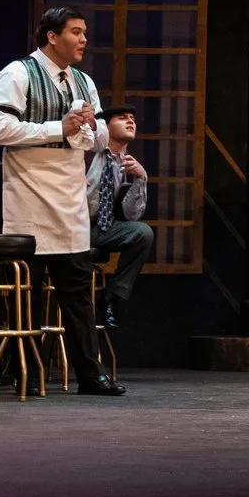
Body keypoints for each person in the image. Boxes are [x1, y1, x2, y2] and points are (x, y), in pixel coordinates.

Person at [0, 6, 124, 395]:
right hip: (28, 199)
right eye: (76, 32)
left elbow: (100, 140)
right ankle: (27, 374)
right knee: (26, 295)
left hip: (70, 200)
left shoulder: (83, 82)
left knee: (78, 296)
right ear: (52, 36)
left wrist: (91, 125)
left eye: (84, 33)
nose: (83, 40)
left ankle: (90, 375)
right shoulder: (18, 73)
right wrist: (57, 127)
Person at [82, 106, 159, 330]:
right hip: (72, 224)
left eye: (133, 119)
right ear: (106, 126)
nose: (130, 122)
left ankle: (113, 296)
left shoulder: (126, 164)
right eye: (122, 118)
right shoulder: (87, 152)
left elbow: (131, 215)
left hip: (99, 228)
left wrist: (141, 179)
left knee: (142, 233)